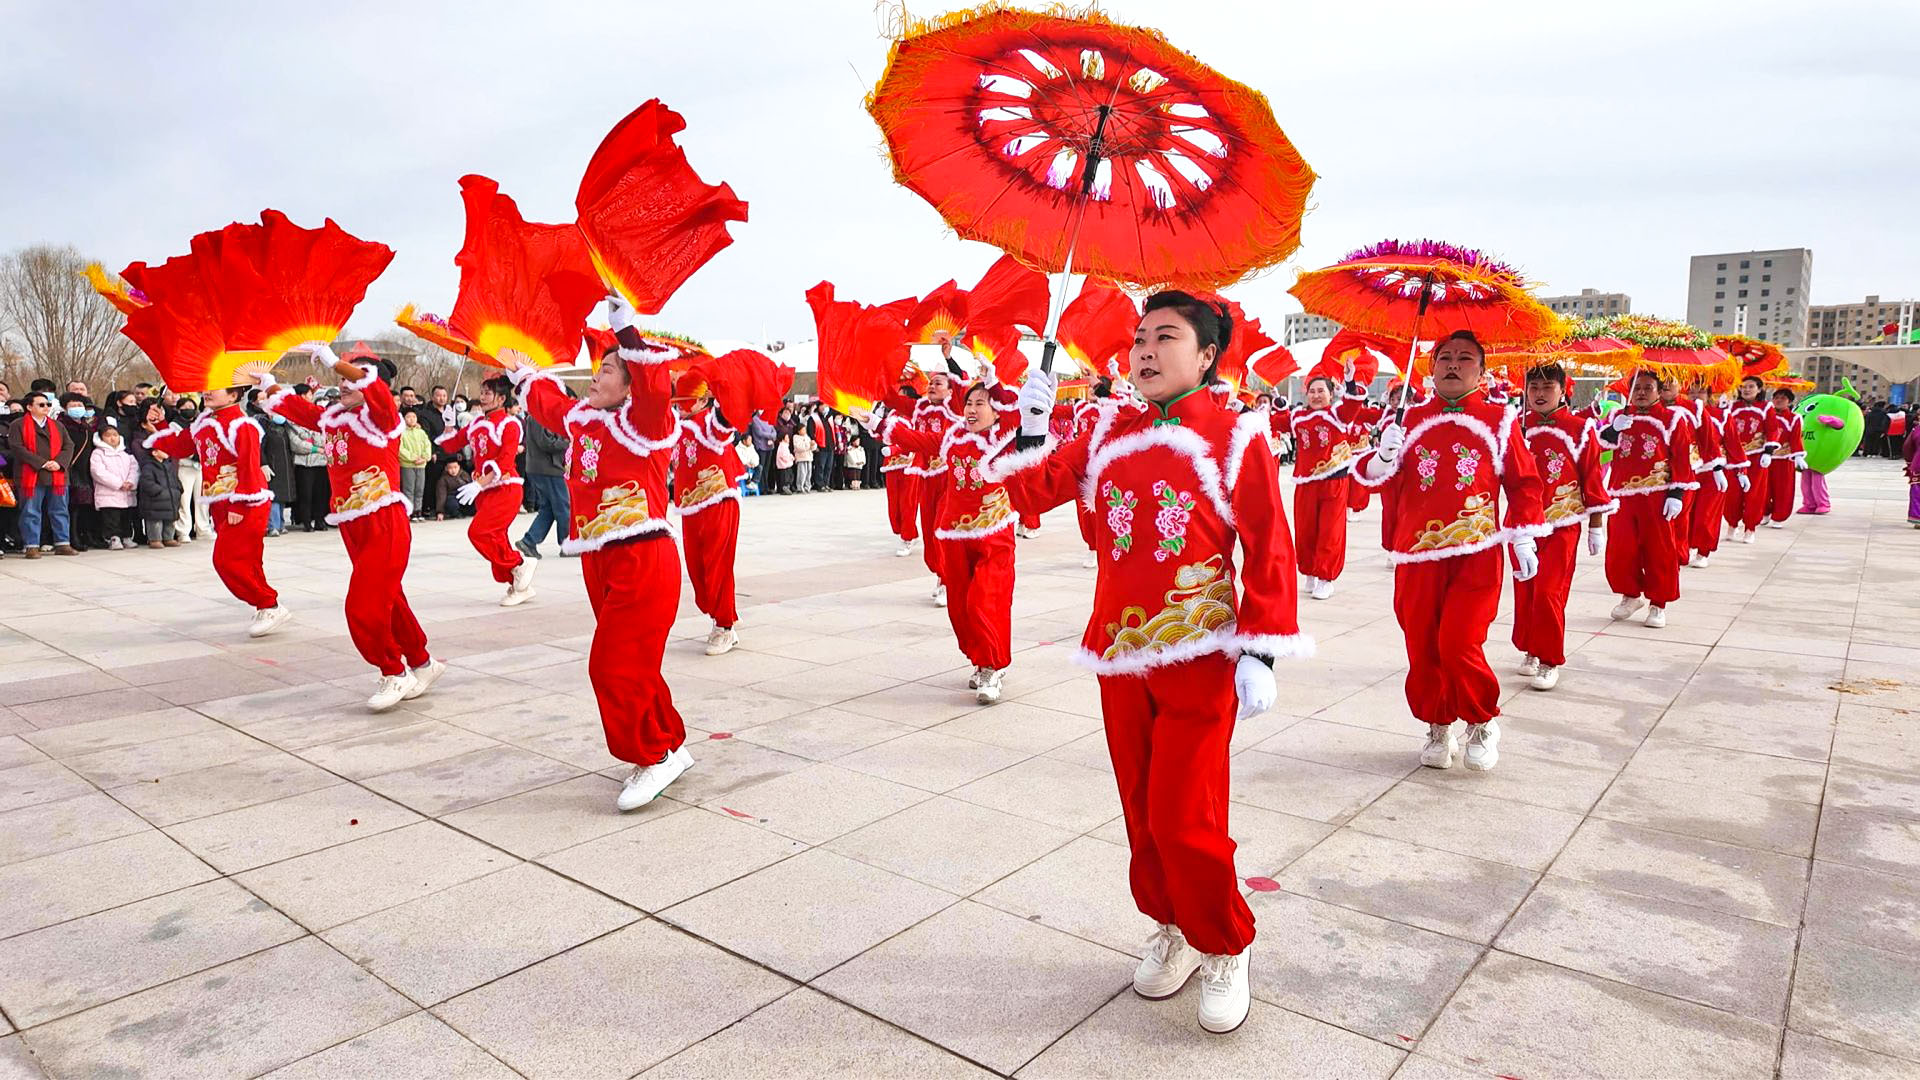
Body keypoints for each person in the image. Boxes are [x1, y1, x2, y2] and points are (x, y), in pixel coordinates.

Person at [1003, 291, 1304, 1036]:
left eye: (1165, 337)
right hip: (1119, 652)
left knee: (1183, 813)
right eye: (1138, 338)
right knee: (1141, 809)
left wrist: (1261, 650)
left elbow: (1269, 542)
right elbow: (1032, 492)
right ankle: (1172, 926)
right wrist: (1033, 426)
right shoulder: (1108, 428)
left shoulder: (1236, 433)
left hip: (1201, 652)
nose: (1144, 350)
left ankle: (1224, 943)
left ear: (1206, 356)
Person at [499, 298, 692, 813]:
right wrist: (523, 374)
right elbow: (550, 405)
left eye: (607, 370)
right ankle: (670, 742)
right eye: (598, 368)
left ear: (629, 385)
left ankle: (652, 756)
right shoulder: (584, 418)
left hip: (642, 558)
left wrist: (626, 329)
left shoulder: (646, 423)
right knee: (634, 663)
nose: (595, 376)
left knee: (611, 667)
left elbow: (656, 387)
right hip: (598, 558)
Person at [1355, 332, 1545, 772]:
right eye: (1444, 357)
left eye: (1465, 358)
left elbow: (1524, 483)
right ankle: (1438, 725)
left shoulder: (1499, 419)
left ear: (1482, 371)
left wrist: (1523, 535)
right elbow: (1372, 478)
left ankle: (1481, 720)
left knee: (1459, 642)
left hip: (1475, 553)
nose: (1453, 365)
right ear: (1431, 366)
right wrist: (1382, 458)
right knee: (1423, 646)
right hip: (1417, 556)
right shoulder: (1408, 419)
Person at [257, 343, 445, 711]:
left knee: (362, 607)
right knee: (390, 600)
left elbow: (377, 395)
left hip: (384, 523)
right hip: (352, 525)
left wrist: (336, 362)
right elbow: (301, 410)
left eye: (351, 376)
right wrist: (268, 383)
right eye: (340, 377)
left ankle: (394, 671)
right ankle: (422, 662)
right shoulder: (334, 418)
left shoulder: (384, 418)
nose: (342, 383)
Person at [869, 380, 1023, 703]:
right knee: (960, 608)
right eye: (969, 403)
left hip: (994, 536)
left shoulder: (1003, 438)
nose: (972, 410)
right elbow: (916, 439)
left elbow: (1016, 411)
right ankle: (980, 659)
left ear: (996, 411)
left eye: (981, 403)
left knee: (985, 600)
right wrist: (875, 421)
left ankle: (992, 667)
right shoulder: (952, 438)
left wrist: (995, 384)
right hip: (955, 535)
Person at [143, 381, 289, 636]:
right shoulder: (204, 422)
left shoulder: (242, 425)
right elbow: (180, 446)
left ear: (233, 395)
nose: (207, 392)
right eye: (207, 387)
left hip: (246, 502)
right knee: (248, 559)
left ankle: (269, 603)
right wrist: (160, 423)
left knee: (225, 560)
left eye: (215, 388)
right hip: (220, 501)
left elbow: (249, 467)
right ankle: (265, 604)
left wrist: (239, 505)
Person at [1512, 364, 1612, 691]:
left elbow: (1591, 476)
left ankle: (1549, 659)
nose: (1539, 394)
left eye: (1547, 387)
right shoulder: (1516, 426)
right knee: (1526, 590)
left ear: (1562, 390)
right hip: (1522, 525)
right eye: (1534, 387)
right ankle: (1530, 647)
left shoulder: (1580, 428)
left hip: (1562, 525)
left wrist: (1596, 525)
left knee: (1549, 591)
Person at [1598, 371, 1696, 628]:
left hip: (1657, 496)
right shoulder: (1619, 416)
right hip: (1622, 495)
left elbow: (1681, 458)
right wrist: (1612, 430)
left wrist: (1676, 494)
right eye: (1637, 387)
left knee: (1659, 550)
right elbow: (1600, 447)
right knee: (1621, 549)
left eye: (1648, 387)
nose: (1641, 392)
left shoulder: (1672, 419)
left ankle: (1658, 603)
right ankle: (1630, 596)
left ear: (1659, 391)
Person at [439, 374, 535, 606]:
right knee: (496, 538)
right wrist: (449, 424)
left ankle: (519, 564)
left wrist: (479, 483)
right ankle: (519, 586)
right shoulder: (475, 424)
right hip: (484, 490)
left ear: (501, 398)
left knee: (479, 533)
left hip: (506, 488)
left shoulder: (510, 424)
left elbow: (505, 460)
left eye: (488, 393)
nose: (482, 397)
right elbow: (451, 445)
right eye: (481, 392)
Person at [1267, 374, 1364, 601]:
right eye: (1312, 391)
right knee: (1305, 530)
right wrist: (1243, 407)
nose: (1316, 395)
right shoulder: (1298, 417)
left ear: (1331, 394)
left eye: (1321, 391)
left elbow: (1352, 405)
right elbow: (1274, 421)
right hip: (1306, 483)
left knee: (1330, 531)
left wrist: (1349, 381)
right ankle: (1309, 571)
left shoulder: (1337, 414)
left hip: (1334, 481)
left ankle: (1325, 578)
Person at [674, 381, 748, 655]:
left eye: (686, 397)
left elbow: (724, 422)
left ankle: (724, 626)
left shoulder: (709, 422)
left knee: (717, 564)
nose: (679, 402)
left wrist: (727, 390)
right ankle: (721, 616)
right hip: (690, 505)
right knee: (697, 568)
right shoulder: (675, 425)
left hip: (718, 501)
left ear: (703, 400)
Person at [8, 392, 79, 556]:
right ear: (29, 407)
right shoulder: (18, 425)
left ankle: (62, 543)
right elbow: (17, 448)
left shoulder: (57, 425)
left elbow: (69, 446)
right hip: (31, 474)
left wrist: (59, 463)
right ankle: (31, 545)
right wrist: (42, 463)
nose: (46, 407)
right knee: (30, 511)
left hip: (57, 474)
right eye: (41, 405)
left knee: (60, 510)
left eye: (48, 404)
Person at [1722, 376, 1774, 542]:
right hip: (1734, 458)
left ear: (1759, 389)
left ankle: (1750, 528)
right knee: (1732, 494)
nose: (1746, 389)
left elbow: (1772, 429)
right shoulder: (1731, 406)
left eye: (1751, 386)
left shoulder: (1766, 407)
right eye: (1743, 386)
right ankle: (1732, 524)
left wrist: (1768, 452)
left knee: (1754, 494)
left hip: (1756, 458)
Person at [516, 404, 570, 559]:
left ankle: (529, 541)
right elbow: (547, 443)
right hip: (548, 468)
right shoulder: (539, 417)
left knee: (549, 509)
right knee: (563, 506)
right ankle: (567, 544)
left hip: (543, 468)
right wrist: (568, 441)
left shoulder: (541, 416)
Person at [880, 384, 921, 556]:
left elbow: (914, 441)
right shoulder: (892, 414)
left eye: (901, 395)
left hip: (909, 465)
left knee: (907, 503)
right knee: (894, 504)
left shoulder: (916, 416)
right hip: (892, 464)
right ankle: (905, 532)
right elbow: (881, 433)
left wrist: (895, 449)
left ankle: (907, 538)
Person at [135, 408, 184, 548]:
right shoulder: (149, 466)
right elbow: (147, 482)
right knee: (155, 522)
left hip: (170, 498)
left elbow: (175, 479)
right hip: (156, 500)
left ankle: (168, 538)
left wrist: (178, 489)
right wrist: (159, 491)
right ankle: (154, 539)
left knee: (170, 521)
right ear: (155, 452)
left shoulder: (169, 465)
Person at [89, 422, 139, 549]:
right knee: (111, 518)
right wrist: (118, 484)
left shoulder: (125, 453)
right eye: (108, 435)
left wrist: (131, 482)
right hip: (108, 494)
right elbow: (98, 472)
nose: (113, 438)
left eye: (115, 435)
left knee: (126, 517)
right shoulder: (98, 453)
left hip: (126, 493)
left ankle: (127, 537)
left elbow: (135, 469)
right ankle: (113, 538)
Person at [288, 392, 331, 532]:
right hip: (304, 464)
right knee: (305, 494)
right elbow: (297, 444)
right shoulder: (292, 422)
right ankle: (306, 521)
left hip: (321, 463)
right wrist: (314, 448)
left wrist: (312, 441)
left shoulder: (321, 422)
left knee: (321, 494)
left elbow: (324, 440)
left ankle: (319, 520)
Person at [1765, 387, 1804, 528]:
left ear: (1789, 401)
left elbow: (1796, 438)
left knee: (1783, 490)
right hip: (1765, 458)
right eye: (1776, 397)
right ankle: (1765, 512)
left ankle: (1779, 517)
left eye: (1783, 398)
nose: (1779, 400)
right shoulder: (1766, 415)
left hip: (1784, 460)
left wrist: (1798, 455)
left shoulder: (1794, 418)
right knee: (1763, 489)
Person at [257, 403, 295, 537]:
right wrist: (263, 464)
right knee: (274, 497)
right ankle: (272, 525)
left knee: (282, 497)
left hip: (284, 466)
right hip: (272, 466)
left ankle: (281, 524)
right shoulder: (264, 427)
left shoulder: (284, 427)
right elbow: (260, 448)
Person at [398, 410, 432, 520]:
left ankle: (418, 510)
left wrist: (425, 457)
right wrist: (413, 457)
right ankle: (409, 511)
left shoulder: (421, 432)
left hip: (421, 465)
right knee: (408, 489)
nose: (412, 419)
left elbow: (427, 445)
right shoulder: (401, 432)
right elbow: (400, 449)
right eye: (409, 417)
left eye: (414, 417)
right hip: (407, 465)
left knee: (419, 489)